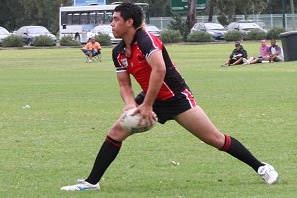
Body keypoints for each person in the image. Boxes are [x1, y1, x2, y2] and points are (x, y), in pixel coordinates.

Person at [61, 3, 279, 191]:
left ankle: (261, 167)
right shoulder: (118, 51)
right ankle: (91, 182)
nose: (111, 23)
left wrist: (146, 106)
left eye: (115, 19)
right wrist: (130, 105)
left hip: (176, 98)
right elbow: (124, 84)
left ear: (129, 22)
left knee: (215, 139)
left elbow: (160, 70)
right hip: (150, 96)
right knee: (116, 132)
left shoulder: (148, 41)